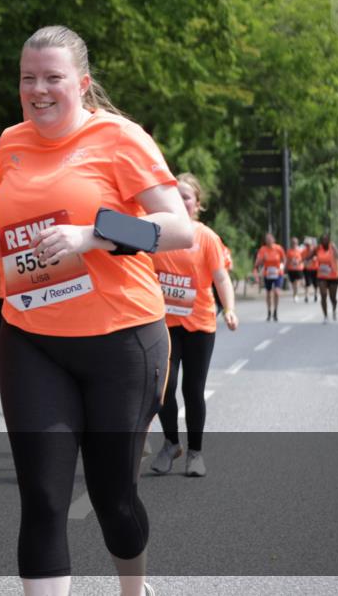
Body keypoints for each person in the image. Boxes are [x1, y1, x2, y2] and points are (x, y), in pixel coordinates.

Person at [0, 25, 193, 596]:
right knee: (42, 496)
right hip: (31, 336)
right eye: (27, 79)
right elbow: (4, 215)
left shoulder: (120, 138)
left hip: (122, 340)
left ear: (82, 84)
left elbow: (180, 229)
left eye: (52, 78)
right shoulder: (13, 140)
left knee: (114, 498)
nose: (38, 90)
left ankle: (134, 589)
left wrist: (93, 234)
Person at [148, 173, 238, 478]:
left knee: (192, 390)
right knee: (164, 388)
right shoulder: (156, 234)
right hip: (164, 324)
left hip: (199, 325)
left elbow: (220, 276)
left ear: (197, 204)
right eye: (176, 195)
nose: (181, 201)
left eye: (187, 196)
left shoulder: (206, 237)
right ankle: (171, 443)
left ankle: (195, 453)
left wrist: (229, 308)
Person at [304, 233, 338, 323]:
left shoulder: (333, 247)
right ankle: (325, 316)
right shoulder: (318, 248)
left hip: (333, 275)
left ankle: (334, 310)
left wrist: (335, 249)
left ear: (329, 240)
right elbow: (309, 256)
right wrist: (306, 260)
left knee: (333, 297)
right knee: (323, 295)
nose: (324, 241)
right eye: (323, 240)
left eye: (326, 239)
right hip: (322, 275)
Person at [254, 232, 286, 321]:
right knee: (268, 293)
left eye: (270, 239)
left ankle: (275, 311)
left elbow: (284, 259)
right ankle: (269, 312)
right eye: (267, 239)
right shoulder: (263, 249)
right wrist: (260, 261)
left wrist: (282, 267)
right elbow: (258, 261)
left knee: (276, 292)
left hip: (278, 273)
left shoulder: (278, 248)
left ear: (273, 240)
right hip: (267, 274)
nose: (268, 241)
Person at [285, 236, 306, 302]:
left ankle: (296, 294)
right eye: (293, 242)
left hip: (299, 268)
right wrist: (285, 268)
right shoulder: (289, 251)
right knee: (293, 283)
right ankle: (295, 294)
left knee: (297, 282)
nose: (294, 244)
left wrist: (298, 262)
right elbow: (287, 260)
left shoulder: (300, 250)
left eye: (295, 242)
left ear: (297, 243)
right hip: (291, 269)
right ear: (291, 243)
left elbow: (303, 259)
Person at [302, 236, 320, 302]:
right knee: (307, 283)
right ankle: (306, 296)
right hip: (307, 269)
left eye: (308, 244)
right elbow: (302, 259)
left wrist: (315, 259)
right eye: (306, 244)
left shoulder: (315, 251)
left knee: (315, 283)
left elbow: (319, 258)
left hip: (315, 268)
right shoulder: (304, 251)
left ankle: (316, 295)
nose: (307, 246)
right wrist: (305, 262)